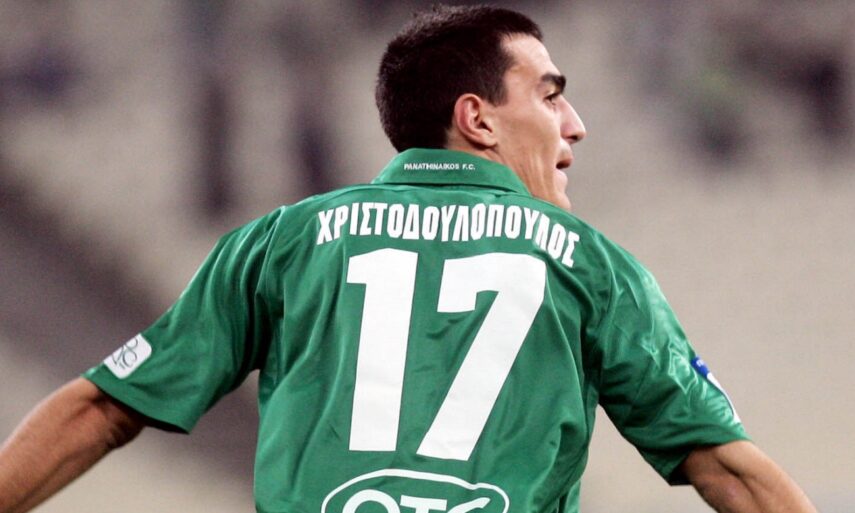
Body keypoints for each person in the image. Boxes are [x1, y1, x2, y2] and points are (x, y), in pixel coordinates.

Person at [0, 5, 818, 513]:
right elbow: (724, 467)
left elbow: (100, 408)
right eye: (549, 94)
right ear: (478, 119)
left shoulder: (281, 242)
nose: (575, 123)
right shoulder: (590, 264)